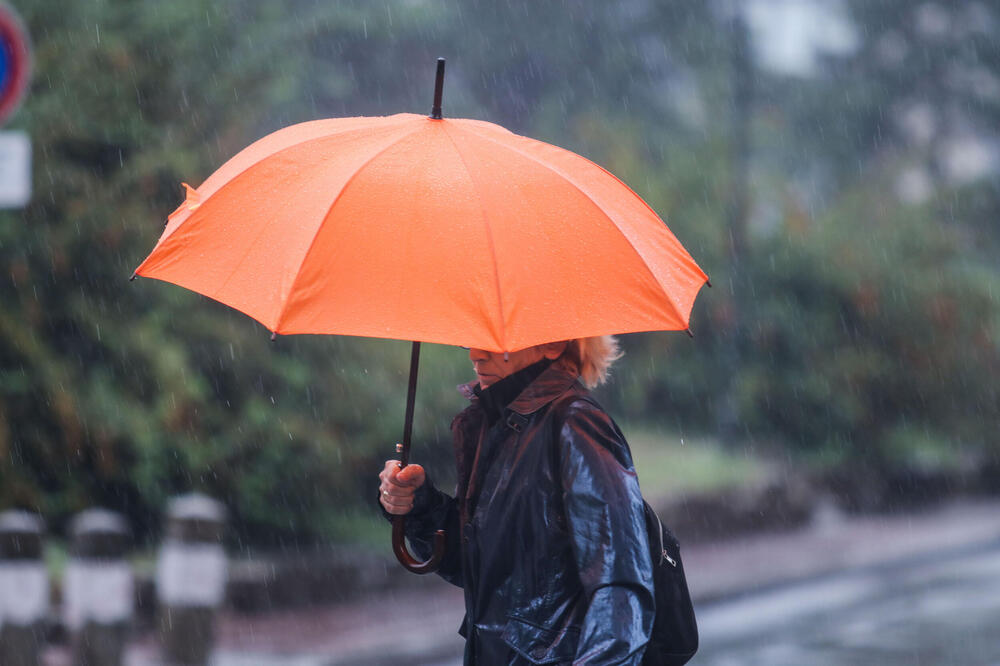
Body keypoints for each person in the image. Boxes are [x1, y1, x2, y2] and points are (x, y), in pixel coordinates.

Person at [378, 336, 654, 665]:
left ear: (552, 344)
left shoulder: (576, 425)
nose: (477, 355)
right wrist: (420, 507)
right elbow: (488, 571)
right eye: (473, 339)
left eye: (497, 341)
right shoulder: (494, 424)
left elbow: (620, 585)